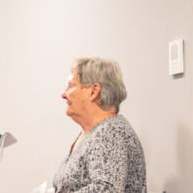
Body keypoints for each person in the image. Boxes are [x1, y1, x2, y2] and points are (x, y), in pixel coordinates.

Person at [52, 57, 147, 192]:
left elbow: (106, 189)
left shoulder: (111, 133)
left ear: (94, 91)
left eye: (71, 86)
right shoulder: (94, 132)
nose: (63, 94)